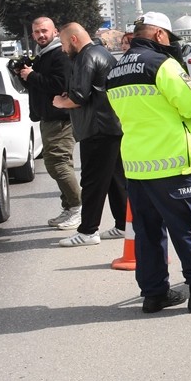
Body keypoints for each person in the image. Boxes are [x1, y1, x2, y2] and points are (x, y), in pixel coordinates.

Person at [106, 12, 191, 314]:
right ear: (159, 35)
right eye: (169, 38)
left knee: (148, 233)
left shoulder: (116, 70)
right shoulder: (162, 65)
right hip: (174, 164)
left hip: (138, 167)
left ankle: (155, 294)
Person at [52, 22, 128, 247]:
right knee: (115, 180)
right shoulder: (101, 52)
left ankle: (88, 231)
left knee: (93, 181)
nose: (64, 50)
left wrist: (59, 102)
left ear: (74, 39)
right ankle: (124, 225)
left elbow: (78, 97)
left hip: (97, 129)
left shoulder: (86, 57)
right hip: (110, 126)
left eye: (64, 44)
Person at [16, 16, 83, 230]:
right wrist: (23, 74)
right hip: (48, 118)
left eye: (44, 31)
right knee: (54, 164)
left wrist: (32, 75)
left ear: (54, 32)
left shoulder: (58, 54)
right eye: (36, 32)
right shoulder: (43, 54)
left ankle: (77, 208)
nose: (40, 35)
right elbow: (37, 86)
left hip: (60, 119)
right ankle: (69, 207)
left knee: (60, 165)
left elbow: (59, 84)